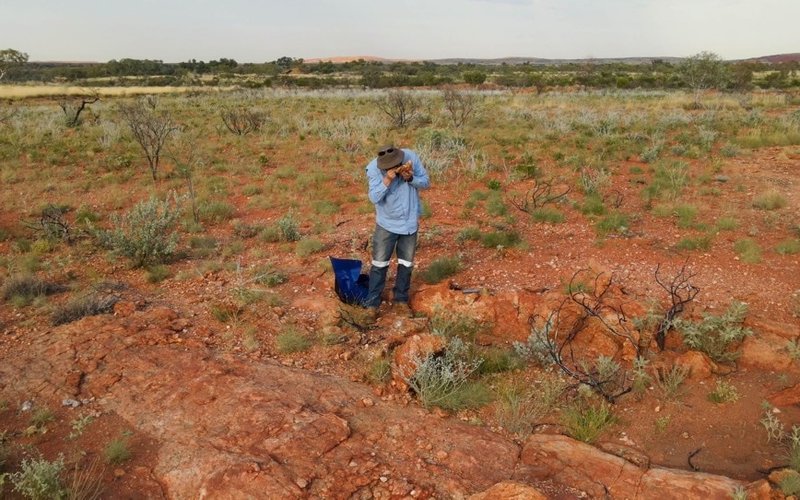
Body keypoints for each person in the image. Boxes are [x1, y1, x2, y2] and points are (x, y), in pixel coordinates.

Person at [363, 145, 430, 321]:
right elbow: (374, 197)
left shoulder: (411, 157)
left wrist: (411, 178)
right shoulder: (373, 169)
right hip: (386, 224)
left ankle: (400, 300)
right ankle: (372, 304)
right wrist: (387, 180)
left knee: (406, 264)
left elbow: (425, 182)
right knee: (379, 265)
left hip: (409, 222)